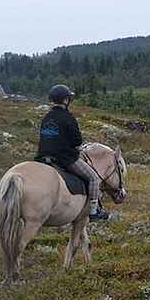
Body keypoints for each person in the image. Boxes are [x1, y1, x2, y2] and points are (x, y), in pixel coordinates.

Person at [35, 84, 109, 221]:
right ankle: (93, 212)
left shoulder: (46, 117)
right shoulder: (68, 117)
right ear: (65, 101)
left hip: (42, 157)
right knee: (93, 178)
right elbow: (77, 141)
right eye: (68, 98)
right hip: (63, 158)